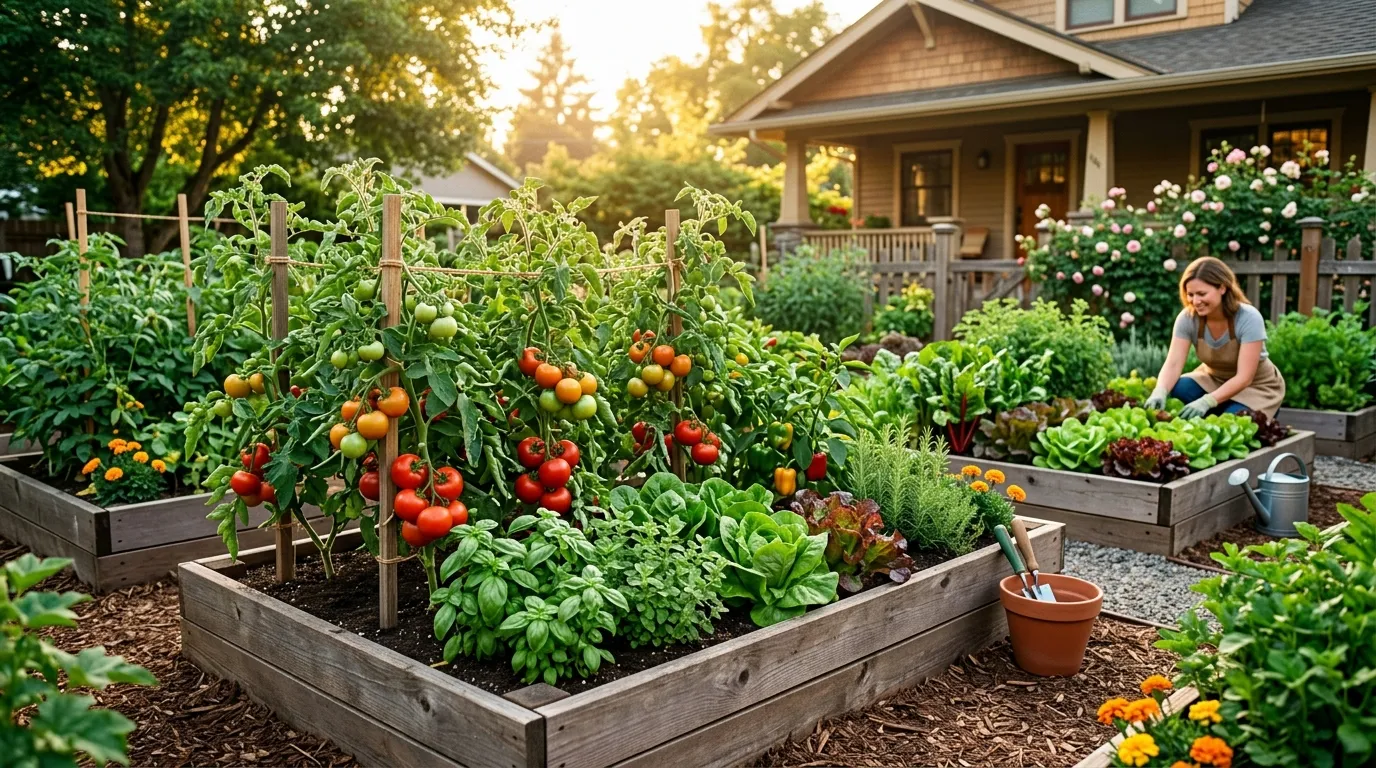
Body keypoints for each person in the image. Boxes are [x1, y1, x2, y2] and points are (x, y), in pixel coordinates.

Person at [1144, 256, 1285, 419]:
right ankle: (1222, 407)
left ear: (1222, 288)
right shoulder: (1188, 318)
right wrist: (1160, 390)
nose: (1195, 301)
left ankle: (1234, 409)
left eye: (1202, 293)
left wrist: (1207, 401)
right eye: (1190, 294)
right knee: (1178, 388)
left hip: (1256, 387)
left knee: (1232, 421)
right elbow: (1173, 363)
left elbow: (1245, 377)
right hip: (1213, 379)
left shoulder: (1248, 317)